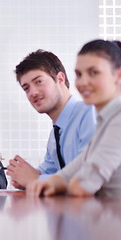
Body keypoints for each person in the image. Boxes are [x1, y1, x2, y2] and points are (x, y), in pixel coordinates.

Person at [27, 39, 121, 197]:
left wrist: (57, 182)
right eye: (79, 74)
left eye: (94, 72)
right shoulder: (106, 119)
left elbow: (83, 184)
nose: (83, 82)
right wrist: (55, 181)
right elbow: (80, 164)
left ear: (118, 75)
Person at [6, 50, 96, 189]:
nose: (33, 92)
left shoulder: (89, 113)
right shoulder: (55, 134)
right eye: (26, 88)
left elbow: (90, 176)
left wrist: (36, 179)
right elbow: (48, 171)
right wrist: (25, 176)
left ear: (60, 78)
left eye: (39, 82)